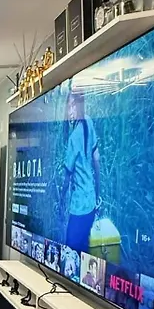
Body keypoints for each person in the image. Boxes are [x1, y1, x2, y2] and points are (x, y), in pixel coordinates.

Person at [61, 90, 101, 255]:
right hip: (91, 203)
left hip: (78, 208)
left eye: (73, 106)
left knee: (70, 254)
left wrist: (61, 200)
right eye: (68, 107)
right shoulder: (89, 122)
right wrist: (97, 193)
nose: (70, 111)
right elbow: (97, 160)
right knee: (85, 252)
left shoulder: (73, 138)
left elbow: (66, 177)